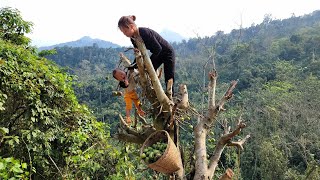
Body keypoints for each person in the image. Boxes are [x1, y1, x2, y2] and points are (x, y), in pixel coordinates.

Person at [118, 15, 176, 99]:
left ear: (131, 27)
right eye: (123, 32)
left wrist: (147, 63)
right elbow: (139, 53)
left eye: (125, 31)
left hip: (167, 53)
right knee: (148, 74)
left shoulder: (144, 32)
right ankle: (156, 96)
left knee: (169, 78)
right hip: (158, 53)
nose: (125, 34)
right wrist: (133, 65)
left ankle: (171, 99)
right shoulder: (133, 38)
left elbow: (158, 48)